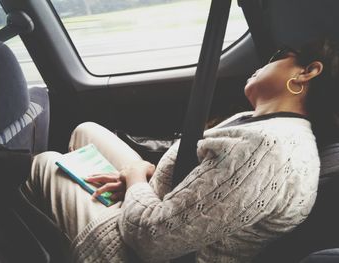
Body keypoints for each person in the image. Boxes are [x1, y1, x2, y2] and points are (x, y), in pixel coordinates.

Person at [24, 37, 339, 263]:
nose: (266, 62)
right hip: (163, 206)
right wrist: (147, 175)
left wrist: (135, 180)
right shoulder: (261, 124)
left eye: (280, 55)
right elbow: (196, 180)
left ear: (307, 72)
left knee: (44, 164)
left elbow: (153, 242)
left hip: (145, 249)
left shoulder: (267, 150)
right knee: (86, 132)